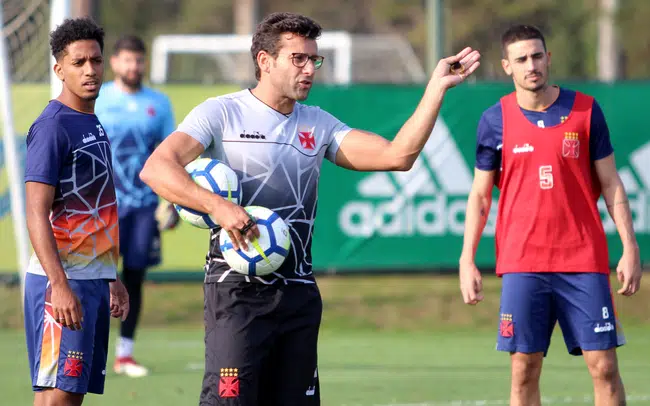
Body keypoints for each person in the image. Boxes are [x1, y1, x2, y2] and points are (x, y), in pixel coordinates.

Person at [140, 11, 479, 406]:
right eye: (297, 58)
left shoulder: (318, 124)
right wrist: (216, 205)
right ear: (265, 62)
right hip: (237, 292)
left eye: (313, 59)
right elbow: (157, 168)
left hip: (298, 293)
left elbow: (397, 155)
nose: (309, 69)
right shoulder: (221, 113)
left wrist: (436, 88)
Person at [458, 24, 642, 406]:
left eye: (537, 56)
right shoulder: (494, 120)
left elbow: (611, 184)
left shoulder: (586, 110)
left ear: (549, 58)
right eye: (521, 59)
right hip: (523, 262)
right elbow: (479, 195)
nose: (531, 65)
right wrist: (466, 259)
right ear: (507, 66)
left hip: (583, 260)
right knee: (524, 370)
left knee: (604, 367)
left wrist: (629, 246)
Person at [23, 17, 129, 406]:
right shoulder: (52, 126)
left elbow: (98, 206)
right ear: (59, 69)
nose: (90, 70)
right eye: (79, 62)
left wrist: (111, 275)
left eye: (96, 61)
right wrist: (60, 285)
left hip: (92, 278)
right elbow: (37, 213)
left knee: (72, 393)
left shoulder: (91, 121)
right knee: (56, 396)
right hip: (62, 284)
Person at [95, 34, 177, 378]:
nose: (133, 66)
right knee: (97, 278)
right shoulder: (97, 98)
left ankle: (125, 354)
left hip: (144, 206)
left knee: (134, 278)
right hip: (102, 207)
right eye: (127, 60)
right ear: (115, 62)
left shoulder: (158, 104)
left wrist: (173, 201)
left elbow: (170, 155)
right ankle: (93, 350)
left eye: (138, 60)